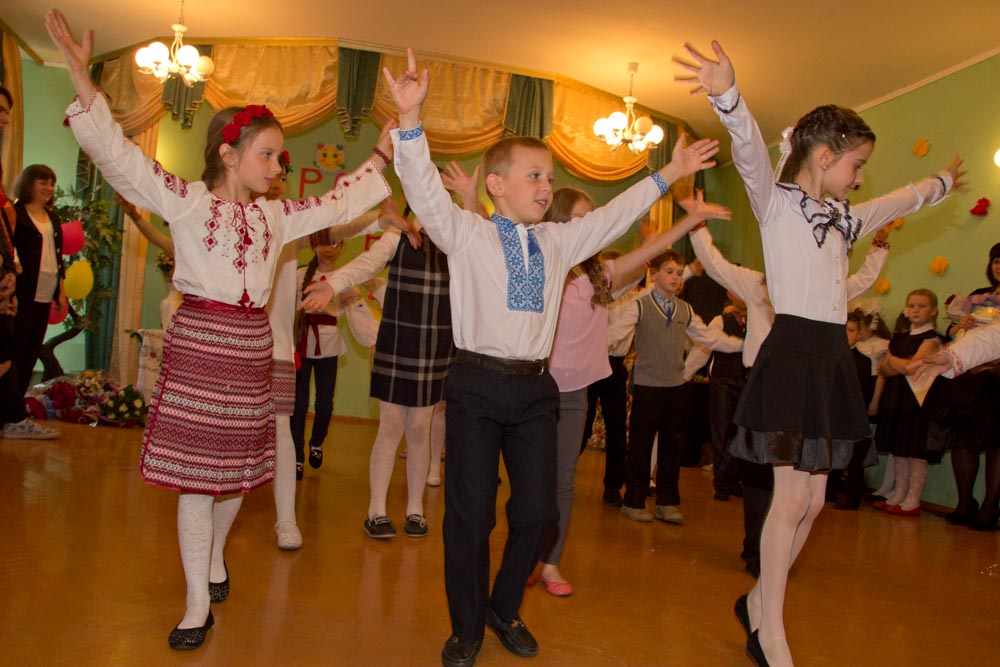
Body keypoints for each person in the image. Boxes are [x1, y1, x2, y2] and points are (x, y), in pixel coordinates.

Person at [45, 10, 403, 650]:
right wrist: (81, 78)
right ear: (228, 155)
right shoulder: (186, 201)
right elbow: (120, 157)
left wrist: (386, 143)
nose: (277, 164)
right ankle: (194, 605)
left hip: (250, 350)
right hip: (199, 345)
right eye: (267, 154)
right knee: (195, 478)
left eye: (278, 155)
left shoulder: (277, 217)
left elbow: (342, 199)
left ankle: (214, 557)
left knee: (236, 473)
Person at [384, 48, 720, 667]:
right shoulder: (467, 233)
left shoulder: (560, 241)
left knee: (539, 515)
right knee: (470, 516)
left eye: (549, 177)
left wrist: (668, 174)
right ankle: (467, 627)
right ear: (496, 185)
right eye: (534, 176)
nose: (546, 186)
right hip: (475, 386)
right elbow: (425, 193)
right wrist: (410, 120)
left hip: (535, 391)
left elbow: (615, 215)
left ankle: (504, 606)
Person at [675, 40, 964, 666]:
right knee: (789, 499)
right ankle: (770, 632)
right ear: (825, 155)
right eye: (856, 165)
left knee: (813, 500)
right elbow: (749, 153)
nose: (860, 178)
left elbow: (896, 202)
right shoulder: (776, 203)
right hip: (792, 353)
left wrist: (938, 184)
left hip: (831, 356)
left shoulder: (843, 216)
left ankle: (758, 602)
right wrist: (728, 96)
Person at [537, 187, 732, 595]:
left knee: (563, 481)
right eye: (580, 219)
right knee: (531, 480)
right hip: (535, 387)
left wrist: (688, 221)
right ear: (558, 222)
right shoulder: (543, 266)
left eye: (593, 220)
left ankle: (550, 562)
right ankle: (524, 554)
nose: (589, 227)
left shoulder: (600, 276)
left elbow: (652, 255)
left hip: (573, 394)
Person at [611, 248, 744, 525]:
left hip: (676, 386)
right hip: (648, 386)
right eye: (669, 272)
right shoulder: (640, 305)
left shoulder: (685, 309)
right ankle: (633, 500)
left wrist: (742, 346)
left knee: (672, 446)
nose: (675, 278)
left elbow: (708, 337)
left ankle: (667, 502)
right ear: (654, 274)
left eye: (680, 273)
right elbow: (615, 334)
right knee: (640, 445)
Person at [928, 243, 1000, 530]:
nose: (999, 266)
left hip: (996, 380)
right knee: (963, 439)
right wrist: (962, 326)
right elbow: (952, 332)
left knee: (997, 443)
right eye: (996, 261)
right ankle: (965, 502)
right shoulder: (978, 295)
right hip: (971, 379)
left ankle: (990, 507)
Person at [872, 289, 943, 516]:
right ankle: (899, 494)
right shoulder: (900, 338)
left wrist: (892, 359)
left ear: (933, 310)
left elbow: (912, 367)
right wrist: (898, 364)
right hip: (896, 399)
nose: (916, 310)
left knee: (915, 452)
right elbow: (883, 370)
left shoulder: (931, 339)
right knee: (899, 451)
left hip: (917, 403)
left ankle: (913, 499)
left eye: (922, 306)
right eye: (912, 305)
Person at [9, 165, 65, 433]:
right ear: (29, 183)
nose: (49, 188)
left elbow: (58, 257)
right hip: (21, 295)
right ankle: (11, 415)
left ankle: (15, 413)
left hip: (45, 294)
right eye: (43, 182)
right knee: (15, 354)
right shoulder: (15, 214)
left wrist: (60, 290)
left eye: (52, 183)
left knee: (30, 354)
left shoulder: (52, 217)